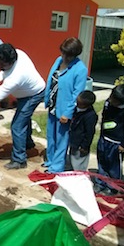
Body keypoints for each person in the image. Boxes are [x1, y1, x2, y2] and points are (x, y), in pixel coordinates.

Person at [44, 37, 88, 173]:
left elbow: (77, 94)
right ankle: (50, 160)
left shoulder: (80, 69)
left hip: (64, 109)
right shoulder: (58, 61)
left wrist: (68, 113)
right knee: (51, 136)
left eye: (68, 55)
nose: (64, 57)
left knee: (61, 139)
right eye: (63, 53)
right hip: (53, 105)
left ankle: (57, 166)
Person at [94, 84, 124, 195]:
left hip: (116, 143)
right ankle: (100, 183)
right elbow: (104, 117)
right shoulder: (108, 103)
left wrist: (123, 144)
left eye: (114, 100)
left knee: (113, 166)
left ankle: (113, 186)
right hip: (104, 138)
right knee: (102, 162)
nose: (111, 100)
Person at [65, 90, 98, 171]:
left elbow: (90, 132)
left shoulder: (90, 116)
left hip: (81, 145)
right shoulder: (77, 110)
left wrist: (85, 146)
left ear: (85, 105)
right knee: (72, 158)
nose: (77, 104)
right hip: (74, 141)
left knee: (79, 163)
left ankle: (78, 176)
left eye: (79, 103)